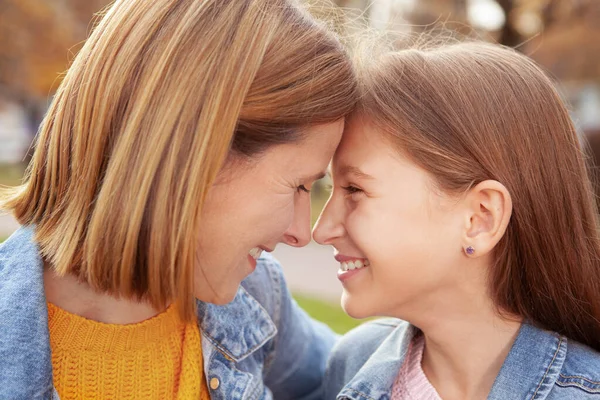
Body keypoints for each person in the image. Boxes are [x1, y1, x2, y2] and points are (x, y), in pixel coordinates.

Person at [0, 0, 357, 399]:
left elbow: (365, 379)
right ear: (199, 154)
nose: (301, 232)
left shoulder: (257, 294)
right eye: (299, 185)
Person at [313, 41, 600, 399]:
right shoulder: (354, 361)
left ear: (480, 218)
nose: (321, 230)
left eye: (354, 189)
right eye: (329, 188)